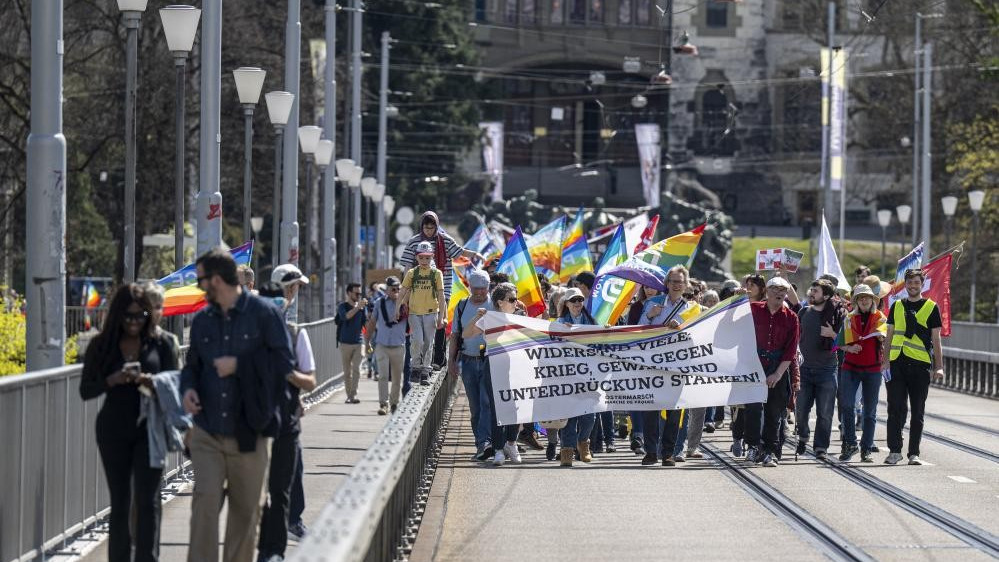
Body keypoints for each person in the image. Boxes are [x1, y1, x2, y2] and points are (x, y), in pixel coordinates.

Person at [181, 249, 295, 562]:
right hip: (207, 431)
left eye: (201, 280)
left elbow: (284, 364)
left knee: (246, 516)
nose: (199, 287)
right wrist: (187, 389)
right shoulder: (203, 320)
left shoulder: (263, 314)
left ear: (216, 280)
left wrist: (240, 365)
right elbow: (192, 365)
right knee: (204, 507)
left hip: (251, 432)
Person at [79, 283, 181, 562]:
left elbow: (176, 384)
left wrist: (151, 381)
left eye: (140, 316)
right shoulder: (103, 345)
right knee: (121, 503)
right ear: (117, 316)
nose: (134, 322)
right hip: (113, 430)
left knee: (148, 501)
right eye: (128, 316)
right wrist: (112, 380)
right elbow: (85, 389)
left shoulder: (162, 343)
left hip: (149, 430)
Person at [256, 282, 317, 562]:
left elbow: (310, 380)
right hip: (253, 426)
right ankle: (258, 547)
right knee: (256, 496)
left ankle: (275, 551)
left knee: (280, 491)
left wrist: (288, 373)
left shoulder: (295, 335)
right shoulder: (249, 335)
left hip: (286, 426)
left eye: (277, 306)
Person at [399, 211, 484, 371]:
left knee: (440, 321)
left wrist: (475, 254)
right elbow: (407, 266)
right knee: (420, 324)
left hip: (441, 286)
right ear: (421, 226)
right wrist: (406, 290)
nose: (429, 231)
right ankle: (419, 362)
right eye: (426, 227)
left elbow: (459, 251)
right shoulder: (414, 242)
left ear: (436, 226)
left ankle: (438, 359)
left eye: (432, 228)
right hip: (419, 290)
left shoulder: (444, 240)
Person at [882, 268, 945, 466]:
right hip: (896, 363)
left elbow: (936, 339)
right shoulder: (897, 306)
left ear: (922, 284)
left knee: (917, 411)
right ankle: (894, 451)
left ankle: (913, 453)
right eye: (909, 283)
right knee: (895, 408)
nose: (912, 286)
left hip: (920, 365)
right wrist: (885, 362)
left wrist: (939, 367)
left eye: (916, 283)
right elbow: (889, 335)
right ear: (905, 284)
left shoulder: (931, 307)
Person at [640, 265, 698, 467]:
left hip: (677, 365)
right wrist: (650, 316)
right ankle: (650, 451)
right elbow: (638, 331)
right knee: (650, 409)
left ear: (685, 284)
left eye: (679, 281)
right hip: (653, 363)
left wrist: (682, 327)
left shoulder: (692, 309)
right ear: (666, 284)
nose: (676, 285)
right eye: (672, 281)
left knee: (674, 411)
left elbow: (697, 336)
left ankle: (668, 453)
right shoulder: (652, 303)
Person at [743, 277, 800, 467]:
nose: (779, 292)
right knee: (752, 409)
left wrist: (777, 374)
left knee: (774, 412)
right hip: (754, 364)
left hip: (778, 366)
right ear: (767, 291)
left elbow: (791, 350)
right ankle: (753, 446)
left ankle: (770, 451)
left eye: (783, 289)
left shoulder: (791, 317)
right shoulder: (752, 310)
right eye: (775, 288)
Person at [466, 282, 524, 466]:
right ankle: (498, 449)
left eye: (516, 298)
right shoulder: (490, 319)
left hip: (516, 365)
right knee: (497, 407)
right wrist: (477, 316)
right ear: (499, 302)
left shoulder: (521, 318)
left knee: (516, 406)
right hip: (494, 364)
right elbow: (467, 334)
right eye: (512, 299)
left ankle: (511, 443)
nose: (516, 302)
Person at [447, 269, 496, 461]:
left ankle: (485, 442)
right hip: (468, 360)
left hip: (489, 360)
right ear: (470, 287)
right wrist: (452, 361)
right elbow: (455, 335)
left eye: (482, 290)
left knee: (486, 403)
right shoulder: (462, 305)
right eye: (475, 289)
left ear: (488, 288)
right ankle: (481, 444)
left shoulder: (495, 304)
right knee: (475, 406)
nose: (479, 293)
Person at [794, 279, 845, 460]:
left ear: (826, 295)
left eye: (815, 291)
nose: (811, 293)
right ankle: (803, 434)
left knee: (825, 413)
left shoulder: (838, 315)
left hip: (827, 370)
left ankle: (821, 447)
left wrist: (833, 335)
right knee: (800, 410)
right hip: (804, 370)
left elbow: (848, 343)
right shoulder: (803, 312)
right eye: (811, 289)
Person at [838, 284, 887, 463]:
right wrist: (850, 348)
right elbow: (839, 344)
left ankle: (866, 447)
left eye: (867, 297)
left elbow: (884, 336)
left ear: (873, 300)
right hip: (851, 367)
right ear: (856, 301)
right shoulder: (849, 318)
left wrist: (882, 337)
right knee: (847, 406)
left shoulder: (880, 317)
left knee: (870, 411)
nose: (864, 300)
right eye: (860, 297)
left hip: (873, 369)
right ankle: (850, 443)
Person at [555, 287, 597, 467]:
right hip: (567, 376)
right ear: (566, 303)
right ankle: (567, 450)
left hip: (588, 375)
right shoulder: (558, 322)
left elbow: (600, 343)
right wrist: (560, 333)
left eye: (580, 300)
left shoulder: (592, 322)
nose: (578, 304)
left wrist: (606, 332)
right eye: (574, 300)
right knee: (569, 416)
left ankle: (583, 444)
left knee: (589, 415)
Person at [398, 241, 446, 386]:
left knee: (428, 343)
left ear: (431, 258)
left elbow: (441, 295)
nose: (424, 261)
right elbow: (403, 291)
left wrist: (443, 317)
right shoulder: (412, 273)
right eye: (421, 257)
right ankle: (415, 367)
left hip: (431, 312)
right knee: (417, 340)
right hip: (414, 312)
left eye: (428, 258)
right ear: (416, 257)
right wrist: (397, 309)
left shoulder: (436, 274)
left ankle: (425, 370)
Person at [366, 276, 409, 414]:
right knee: (383, 375)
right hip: (382, 345)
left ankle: (394, 403)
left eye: (398, 289)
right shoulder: (379, 303)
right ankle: (383, 404)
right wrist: (367, 342)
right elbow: (372, 322)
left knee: (397, 377)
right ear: (387, 290)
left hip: (398, 345)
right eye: (393, 289)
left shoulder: (405, 304)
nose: (396, 291)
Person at [336, 283, 368, 404]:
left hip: (359, 342)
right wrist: (357, 307)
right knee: (347, 371)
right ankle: (349, 395)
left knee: (357, 369)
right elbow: (345, 317)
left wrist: (367, 340)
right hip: (345, 343)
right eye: (356, 293)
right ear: (349, 293)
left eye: (360, 293)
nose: (359, 295)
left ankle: (353, 395)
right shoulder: (342, 306)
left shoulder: (362, 308)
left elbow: (365, 324)